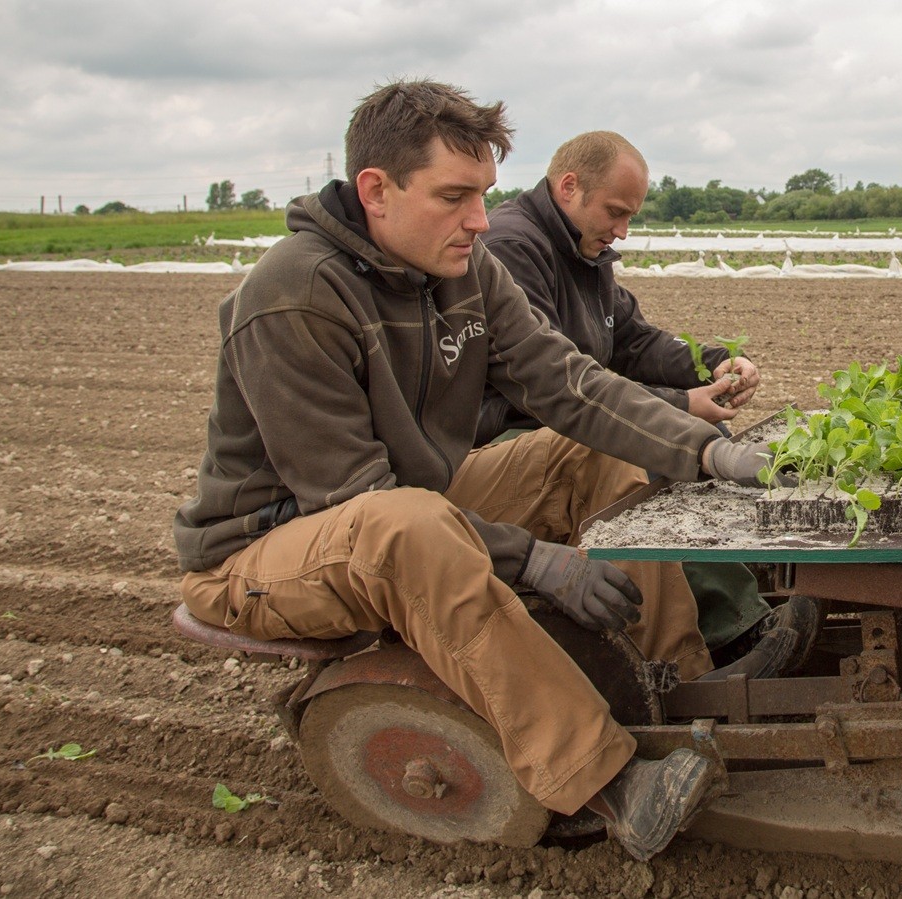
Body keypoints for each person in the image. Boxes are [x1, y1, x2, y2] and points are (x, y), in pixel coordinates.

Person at [172, 79, 776, 862]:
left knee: (593, 448)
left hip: (408, 504)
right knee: (407, 525)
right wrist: (534, 558)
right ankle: (605, 779)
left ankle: (677, 691)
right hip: (268, 548)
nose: (480, 221)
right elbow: (355, 501)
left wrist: (711, 452)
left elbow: (572, 382)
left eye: (485, 194)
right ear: (375, 190)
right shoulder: (292, 295)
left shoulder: (463, 268)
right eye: (455, 196)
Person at [480, 132, 814, 675]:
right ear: (569, 187)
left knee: (706, 447)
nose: (623, 231)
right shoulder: (512, 250)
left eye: (630, 216)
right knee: (646, 455)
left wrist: (711, 364)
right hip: (511, 431)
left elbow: (632, 339)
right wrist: (680, 403)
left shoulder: (585, 250)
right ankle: (726, 636)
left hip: (568, 414)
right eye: (615, 212)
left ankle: (748, 593)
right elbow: (553, 385)